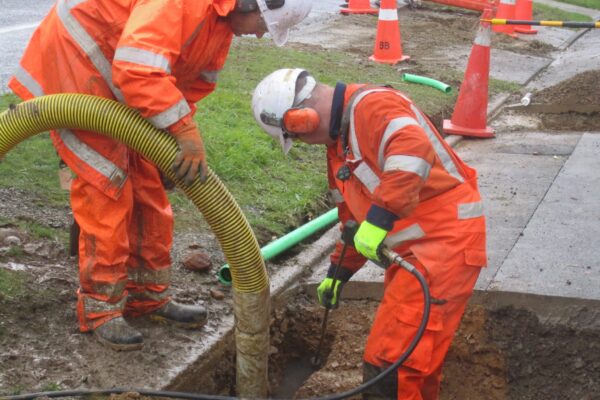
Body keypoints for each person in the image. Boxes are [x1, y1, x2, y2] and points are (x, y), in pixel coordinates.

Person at [8, 0, 312, 351]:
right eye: (264, 25)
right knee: (108, 185)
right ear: (250, 5)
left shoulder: (219, 26)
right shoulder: (182, 4)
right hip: (79, 62)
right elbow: (138, 68)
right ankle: (101, 310)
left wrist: (168, 138)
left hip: (120, 81)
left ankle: (147, 297)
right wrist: (183, 131)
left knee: (148, 183)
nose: (260, 35)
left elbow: (189, 84)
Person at [251, 68, 487, 399]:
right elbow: (353, 218)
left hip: (444, 244)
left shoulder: (373, 107)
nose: (304, 143)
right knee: (417, 360)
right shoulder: (339, 148)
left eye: (297, 137)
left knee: (391, 363)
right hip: (418, 250)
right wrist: (339, 271)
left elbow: (411, 149)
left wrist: (379, 221)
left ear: (301, 121)